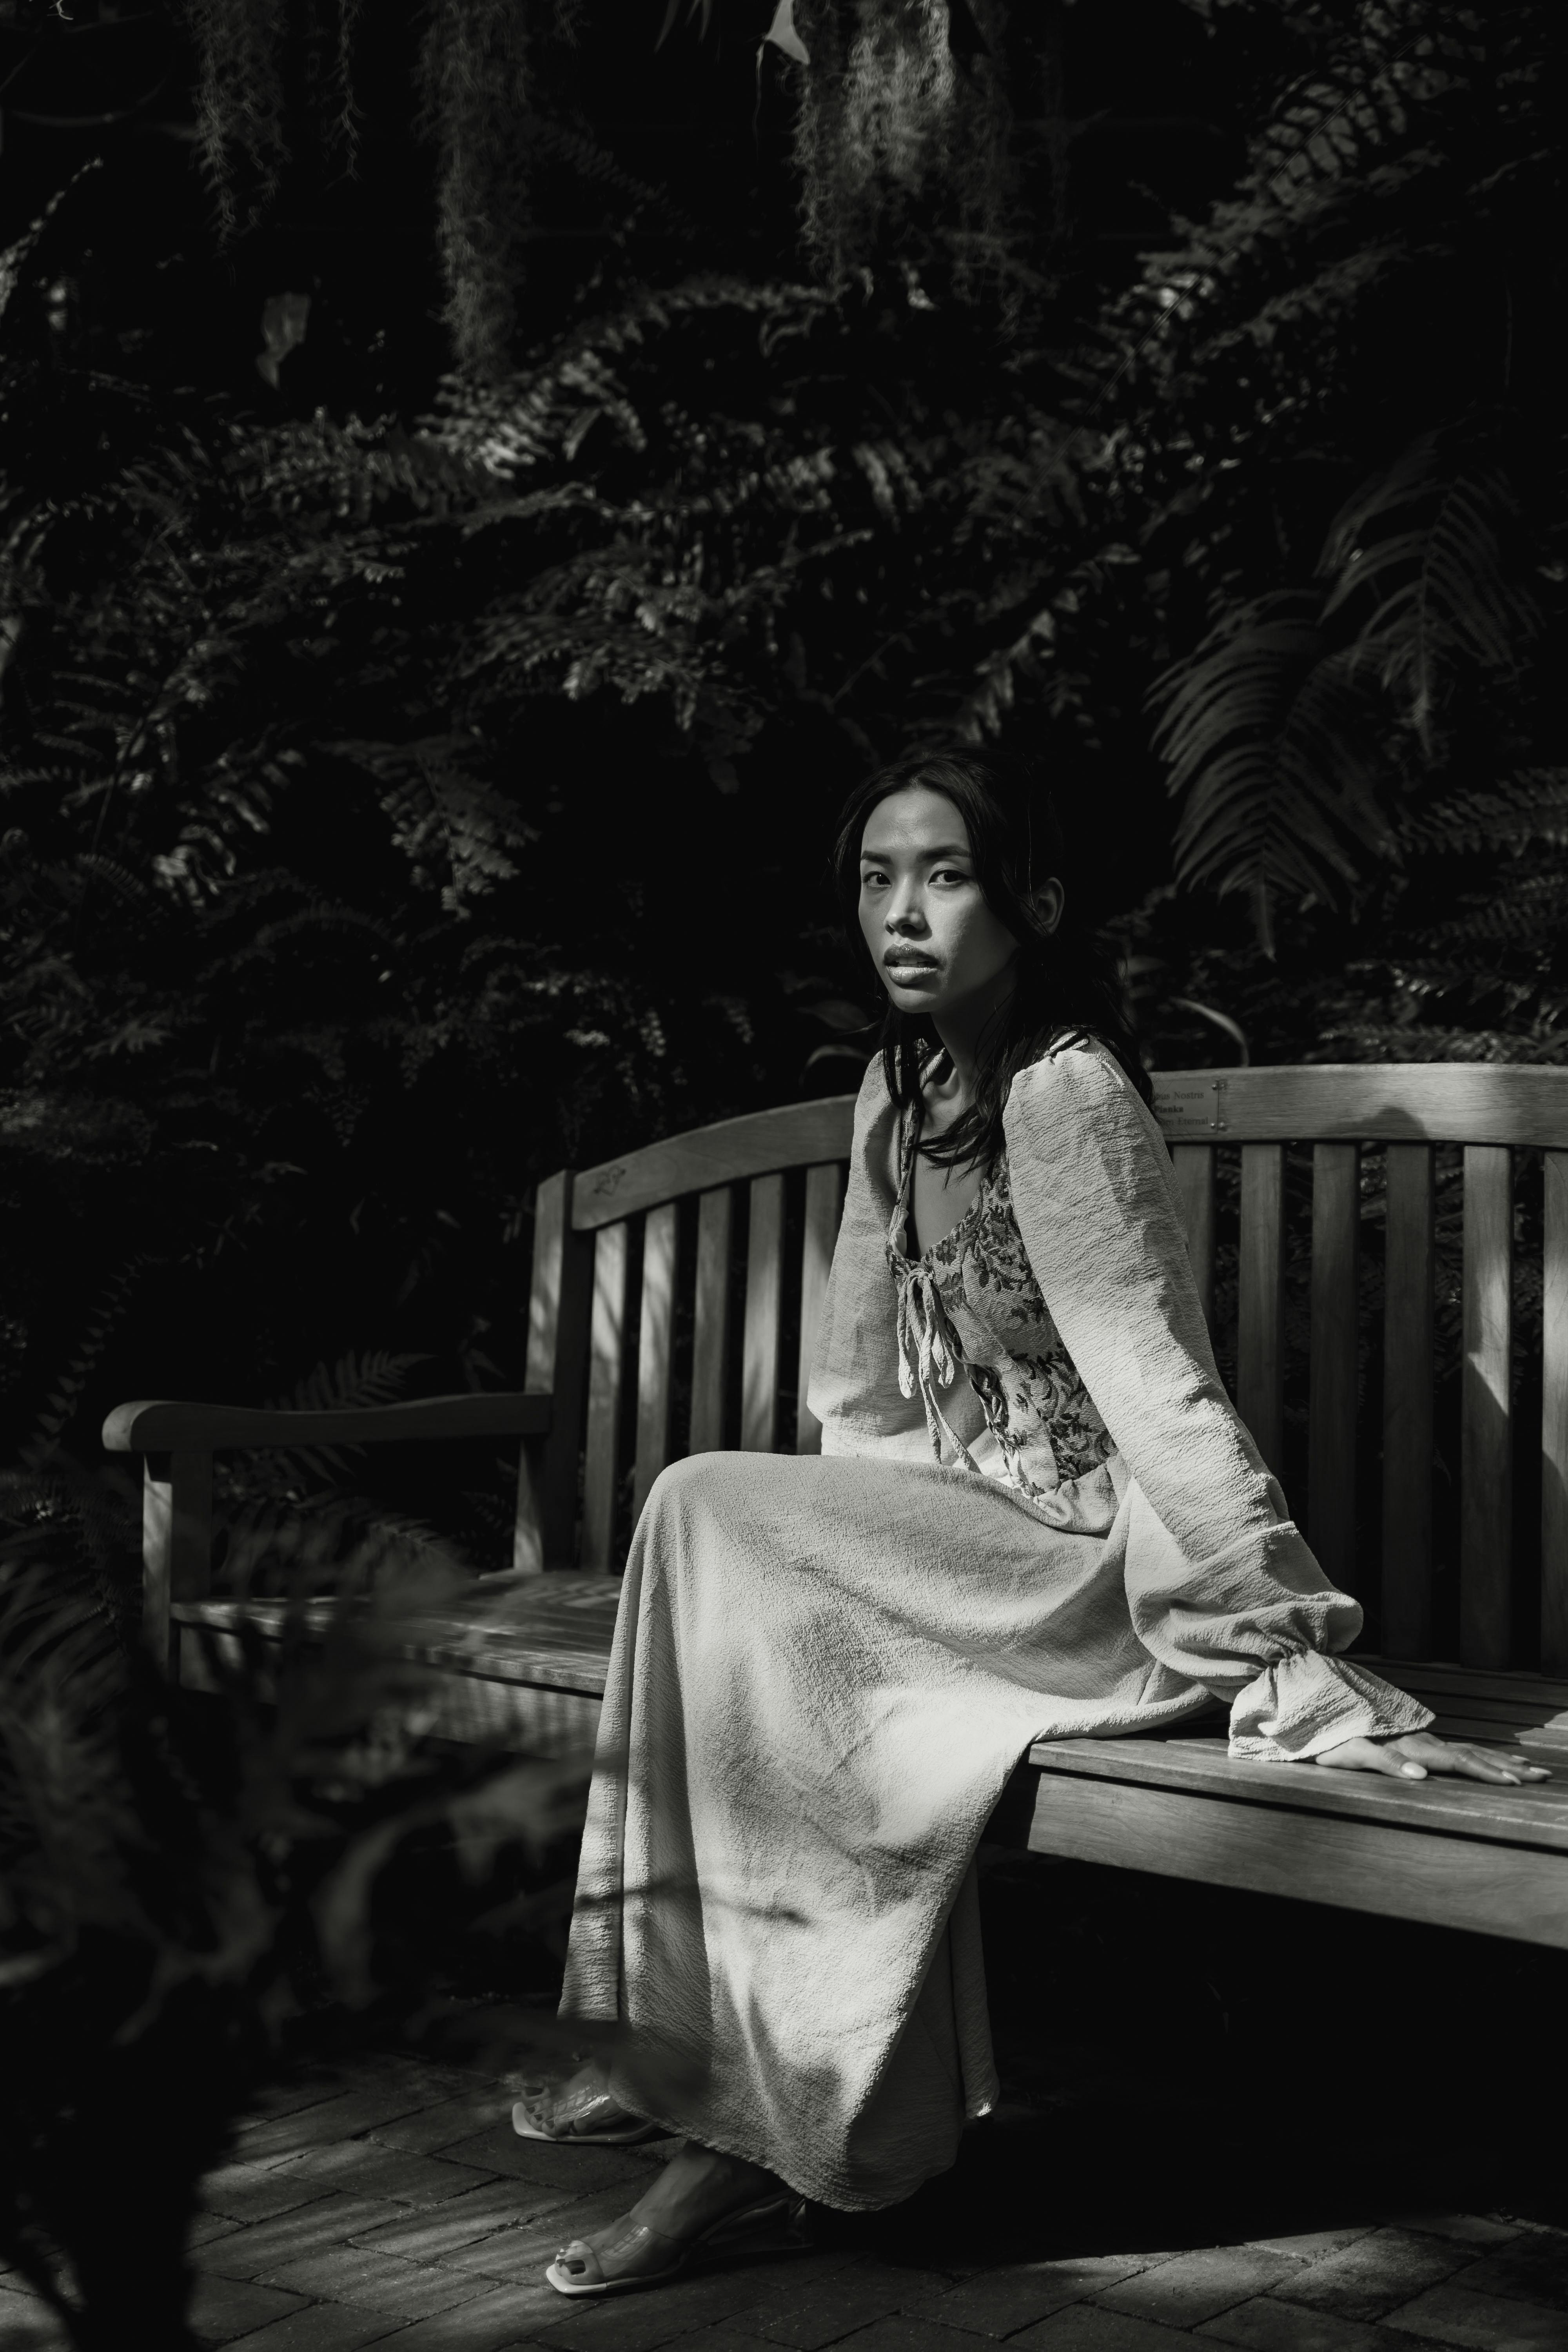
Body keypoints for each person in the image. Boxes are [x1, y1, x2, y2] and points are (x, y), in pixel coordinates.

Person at [512, 745, 1549, 2298]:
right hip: (962, 1543)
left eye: (944, 874)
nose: (902, 913)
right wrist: (843, 1583)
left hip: (1089, 1578)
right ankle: (691, 2059)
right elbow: (857, 1395)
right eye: (876, 878)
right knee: (751, 1582)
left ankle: (731, 2129)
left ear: (1033, 901)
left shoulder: (1062, 1095)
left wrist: (1280, 1649)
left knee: (698, 1505)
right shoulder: (897, 1089)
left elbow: (1156, 1381)